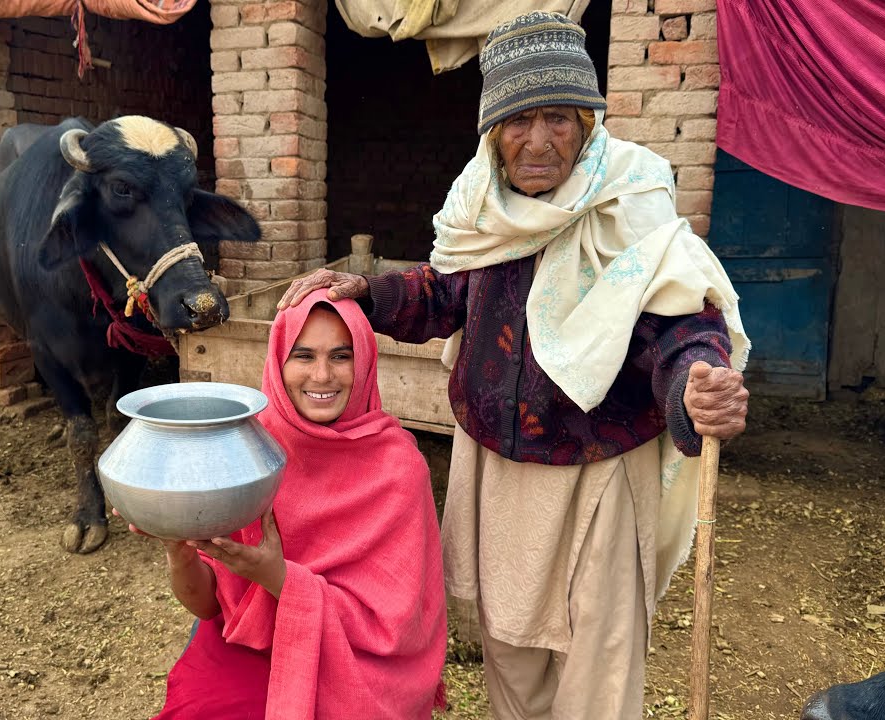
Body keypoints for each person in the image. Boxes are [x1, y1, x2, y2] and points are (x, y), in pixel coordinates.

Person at [276, 11, 750, 720]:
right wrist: (368, 294)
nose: (537, 142)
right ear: (491, 132)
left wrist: (695, 387)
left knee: (601, 654)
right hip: (498, 464)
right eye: (516, 121)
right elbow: (446, 293)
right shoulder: (481, 207)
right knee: (509, 645)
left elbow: (682, 324)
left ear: (588, 123)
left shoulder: (630, 202)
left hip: (601, 468)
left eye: (557, 118)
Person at [127, 291, 447, 720]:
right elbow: (210, 607)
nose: (322, 375)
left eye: (340, 356)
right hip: (248, 645)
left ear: (366, 361)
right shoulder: (252, 452)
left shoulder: (400, 468)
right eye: (303, 356)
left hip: (356, 665)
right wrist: (177, 547)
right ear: (278, 362)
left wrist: (276, 577)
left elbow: (395, 633)